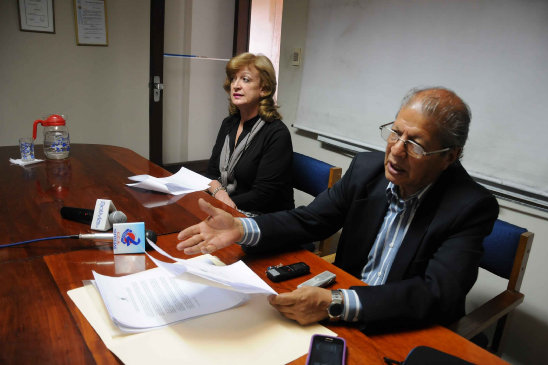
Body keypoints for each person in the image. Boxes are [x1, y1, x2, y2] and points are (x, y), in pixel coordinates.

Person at [176, 87, 499, 331]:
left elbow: (437, 294)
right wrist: (241, 227)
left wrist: (336, 302)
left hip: (403, 325)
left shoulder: (470, 206)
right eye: (395, 133)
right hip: (340, 311)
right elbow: (310, 220)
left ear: (450, 156)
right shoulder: (366, 169)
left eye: (415, 144)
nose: (396, 151)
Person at [205, 52, 294, 215]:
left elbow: (263, 195)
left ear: (264, 88)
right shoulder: (228, 123)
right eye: (233, 79)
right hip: (227, 206)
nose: (236, 85)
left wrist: (221, 202)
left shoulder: (277, 133)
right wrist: (220, 194)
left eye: (245, 79)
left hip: (265, 218)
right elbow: (211, 173)